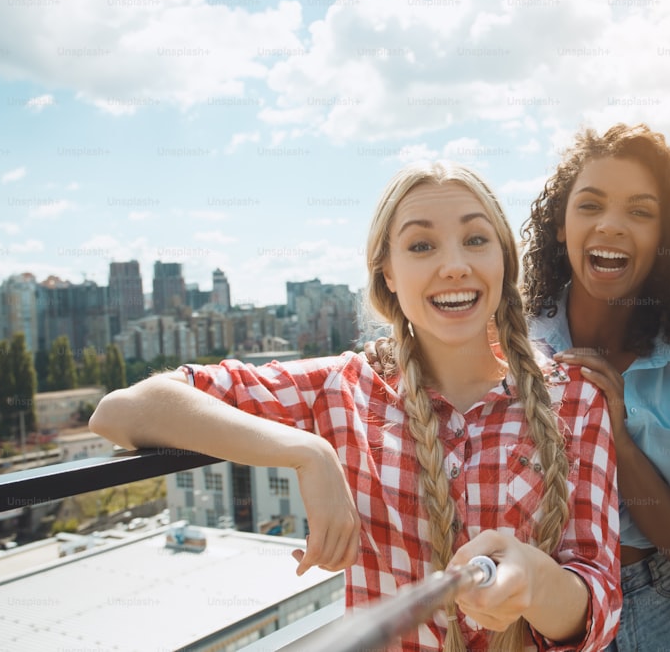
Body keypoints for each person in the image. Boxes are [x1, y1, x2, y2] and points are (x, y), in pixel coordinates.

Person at [89, 161, 622, 652]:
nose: (455, 265)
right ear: (386, 274)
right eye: (421, 247)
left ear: (503, 259)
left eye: (476, 239)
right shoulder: (344, 389)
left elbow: (599, 605)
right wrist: (307, 450)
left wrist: (536, 584)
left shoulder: (573, 397)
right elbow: (125, 412)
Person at [519, 123, 670, 651]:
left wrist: (614, 431)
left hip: (654, 609)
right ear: (559, 226)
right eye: (590, 206)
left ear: (666, 238)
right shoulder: (511, 341)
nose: (612, 226)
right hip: (532, 612)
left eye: (640, 212)